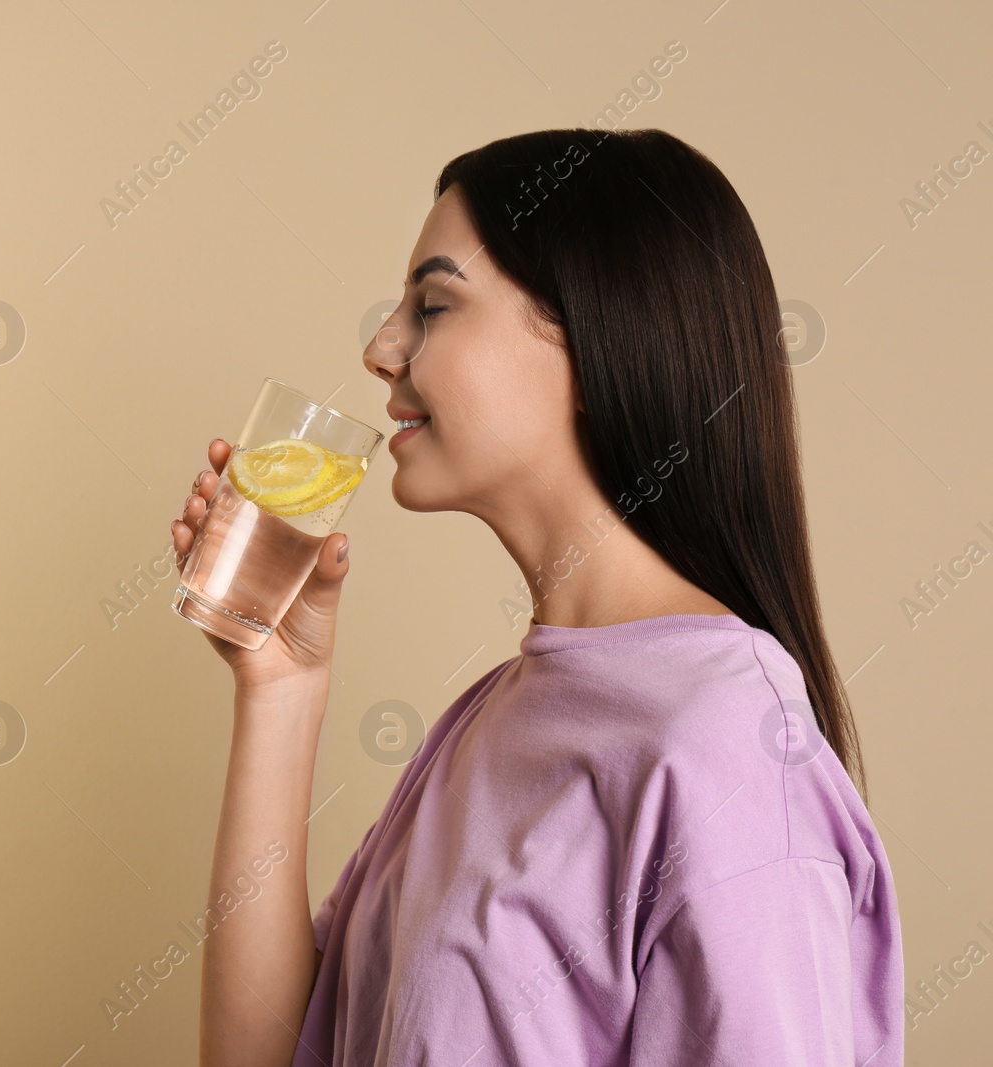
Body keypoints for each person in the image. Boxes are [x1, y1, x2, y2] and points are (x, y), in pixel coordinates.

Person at [172, 128, 904, 1066]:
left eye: (433, 304)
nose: (380, 347)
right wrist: (280, 689)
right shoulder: (493, 720)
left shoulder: (730, 749)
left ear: (601, 339)